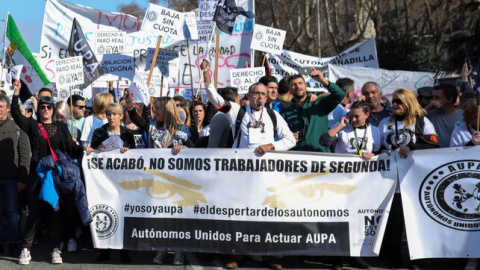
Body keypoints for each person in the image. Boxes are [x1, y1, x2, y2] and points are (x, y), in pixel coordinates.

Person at [11, 80, 90, 265]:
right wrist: (16, 92)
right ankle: (26, 249)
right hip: (36, 175)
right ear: (39, 110)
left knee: (55, 213)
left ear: (53, 110)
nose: (45, 109)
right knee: (33, 213)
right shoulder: (32, 126)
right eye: (43, 107)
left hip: (54, 177)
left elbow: (71, 148)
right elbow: (15, 112)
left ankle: (55, 249)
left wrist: (86, 150)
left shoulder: (61, 127)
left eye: (49, 107)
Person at [377, 88, 438, 268]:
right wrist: (382, 151)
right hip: (391, 180)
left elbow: (435, 144)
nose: (394, 104)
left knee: (414, 222)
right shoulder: (384, 123)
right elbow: (380, 146)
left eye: (398, 101)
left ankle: (415, 260)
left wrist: (412, 146)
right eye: (393, 101)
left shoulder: (421, 122)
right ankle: (393, 259)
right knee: (393, 221)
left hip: (415, 181)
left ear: (408, 103)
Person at [90, 103, 133, 264]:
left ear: (121, 116)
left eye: (115, 114)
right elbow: (92, 153)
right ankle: (104, 250)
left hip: (122, 182)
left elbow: (135, 157)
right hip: (103, 182)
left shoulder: (127, 135)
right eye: (109, 114)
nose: (111, 117)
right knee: (104, 213)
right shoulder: (99, 132)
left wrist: (127, 152)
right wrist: (96, 150)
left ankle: (124, 251)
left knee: (122, 215)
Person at [281, 69, 345, 152]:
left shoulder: (319, 103)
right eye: (294, 84)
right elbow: (279, 135)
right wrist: (289, 136)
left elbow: (340, 94)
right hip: (297, 156)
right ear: (289, 89)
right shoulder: (285, 113)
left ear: (305, 85)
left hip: (321, 154)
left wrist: (322, 80)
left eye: (300, 83)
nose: (297, 86)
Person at [0, 94, 30, 257]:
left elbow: (25, 155)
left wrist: (22, 178)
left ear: (7, 109)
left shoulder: (17, 129)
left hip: (11, 179)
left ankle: (13, 243)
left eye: (0, 107)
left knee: (12, 212)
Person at [426, 83, 464, 147]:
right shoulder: (429, 114)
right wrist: (427, 108)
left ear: (450, 99)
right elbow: (412, 120)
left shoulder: (464, 116)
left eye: (437, 97)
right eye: (433, 97)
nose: (433, 100)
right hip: (436, 154)